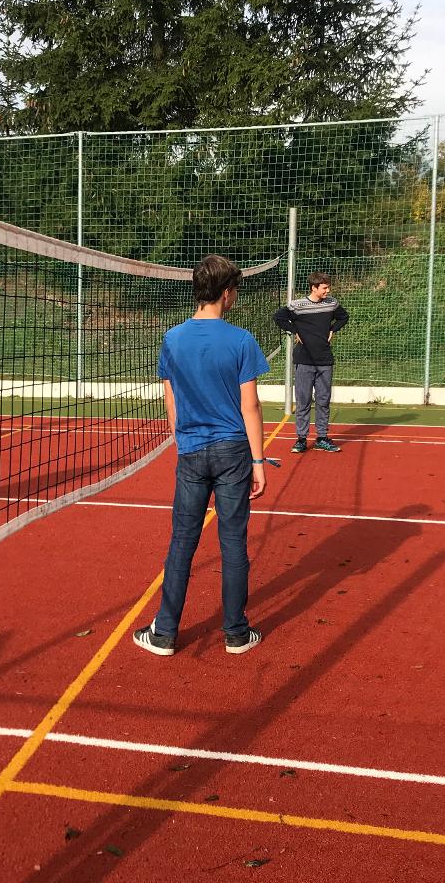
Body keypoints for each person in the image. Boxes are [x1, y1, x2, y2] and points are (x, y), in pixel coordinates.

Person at [132, 255, 270, 658]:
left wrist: (184, 440)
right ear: (226, 293)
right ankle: (236, 633)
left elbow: (170, 398)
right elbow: (250, 406)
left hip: (192, 451)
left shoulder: (173, 338)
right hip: (233, 452)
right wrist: (259, 462)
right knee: (233, 542)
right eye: (235, 290)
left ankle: (164, 633)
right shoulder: (241, 340)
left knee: (182, 542)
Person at [274, 271, 349, 454]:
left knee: (323, 401)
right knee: (303, 401)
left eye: (328, 287)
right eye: (324, 288)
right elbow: (279, 317)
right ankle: (301, 439)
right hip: (304, 361)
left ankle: (322, 438)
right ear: (314, 288)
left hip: (325, 361)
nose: (327, 290)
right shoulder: (297, 305)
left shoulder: (331, 303)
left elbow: (344, 317)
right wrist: (294, 331)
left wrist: (333, 330)